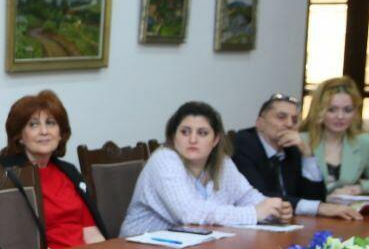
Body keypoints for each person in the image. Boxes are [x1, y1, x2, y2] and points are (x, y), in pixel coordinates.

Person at [119, 101, 288, 237]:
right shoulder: (164, 160)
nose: (192, 139)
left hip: (191, 247)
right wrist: (253, 213)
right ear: (173, 136)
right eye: (185, 132)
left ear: (215, 140)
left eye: (202, 133)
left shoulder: (223, 162)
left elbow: (247, 196)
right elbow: (189, 214)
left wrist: (274, 209)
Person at [0, 89, 107, 248]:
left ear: (60, 133)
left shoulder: (69, 172)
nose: (44, 131)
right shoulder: (9, 176)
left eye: (50, 123)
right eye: (33, 124)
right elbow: (17, 241)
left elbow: (90, 232)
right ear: (20, 136)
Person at [232, 93, 362, 221]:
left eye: (294, 120)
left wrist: (308, 155)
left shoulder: (292, 147)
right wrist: (318, 208)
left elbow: (316, 197)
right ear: (260, 123)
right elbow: (259, 195)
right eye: (281, 117)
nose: (289, 124)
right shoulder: (242, 145)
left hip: (290, 222)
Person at [300, 77, 369, 195]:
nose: (340, 116)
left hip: (346, 205)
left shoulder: (364, 142)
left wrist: (358, 188)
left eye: (347, 110)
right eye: (332, 110)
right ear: (319, 111)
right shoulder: (301, 141)